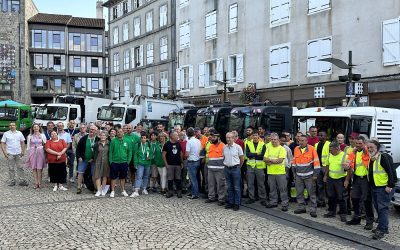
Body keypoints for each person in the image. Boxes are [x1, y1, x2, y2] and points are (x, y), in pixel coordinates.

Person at [367, 139, 395, 240]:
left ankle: (381, 230)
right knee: (379, 208)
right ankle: (384, 227)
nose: (369, 149)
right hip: (375, 187)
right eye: (368, 147)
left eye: (371, 147)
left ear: (377, 148)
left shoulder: (383, 157)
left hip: (383, 188)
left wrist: (390, 185)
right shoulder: (372, 158)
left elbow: (391, 172)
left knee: (383, 208)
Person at [346, 136, 374, 228]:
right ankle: (356, 218)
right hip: (357, 178)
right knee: (354, 198)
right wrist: (346, 166)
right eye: (356, 143)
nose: (357, 145)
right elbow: (347, 164)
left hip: (365, 179)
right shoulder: (354, 152)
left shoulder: (367, 151)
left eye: (360, 143)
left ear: (364, 144)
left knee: (366, 200)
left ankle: (369, 221)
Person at [292, 135, 321, 217]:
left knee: (311, 193)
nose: (300, 142)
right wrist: (294, 173)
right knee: (299, 193)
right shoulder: (296, 149)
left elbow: (316, 163)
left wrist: (315, 175)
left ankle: (313, 209)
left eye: (302, 140)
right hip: (298, 176)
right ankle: (301, 207)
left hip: (309, 176)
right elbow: (294, 161)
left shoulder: (312, 149)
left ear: (306, 141)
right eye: (299, 140)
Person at [323, 141, 351, 222]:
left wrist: (347, 180)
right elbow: (327, 165)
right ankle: (331, 212)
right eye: (330, 150)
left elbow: (349, 170)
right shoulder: (329, 155)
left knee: (341, 197)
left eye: (331, 150)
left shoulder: (345, 156)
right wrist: (325, 175)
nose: (330, 151)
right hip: (331, 179)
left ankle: (343, 214)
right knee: (331, 196)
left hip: (341, 179)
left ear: (337, 149)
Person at [264, 132, 288, 211]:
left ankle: (284, 204)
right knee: (272, 189)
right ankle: (273, 202)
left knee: (283, 189)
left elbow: (280, 160)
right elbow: (264, 159)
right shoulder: (268, 148)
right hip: (270, 172)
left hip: (280, 172)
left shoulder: (282, 149)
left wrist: (270, 160)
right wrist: (272, 160)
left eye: (275, 139)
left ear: (278, 140)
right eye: (272, 139)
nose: (273, 141)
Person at [1, 122, 27, 186]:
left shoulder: (19, 133)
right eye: (10, 125)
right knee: (11, 168)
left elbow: (23, 142)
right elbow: (2, 143)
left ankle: (22, 180)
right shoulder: (6, 134)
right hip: (10, 153)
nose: (12, 126)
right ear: (9, 127)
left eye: (13, 125)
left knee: (20, 167)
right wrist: (4, 153)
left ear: (16, 126)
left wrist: (23, 151)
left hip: (18, 153)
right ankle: (12, 181)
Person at [109, 128, 132, 198]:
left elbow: (129, 152)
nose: (119, 133)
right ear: (116, 133)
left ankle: (123, 190)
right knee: (113, 177)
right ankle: (112, 191)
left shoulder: (127, 141)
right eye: (118, 132)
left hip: (124, 162)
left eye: (121, 132)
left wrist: (128, 161)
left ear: (123, 133)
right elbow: (110, 152)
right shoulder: (113, 141)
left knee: (123, 177)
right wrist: (111, 162)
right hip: (114, 162)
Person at [223, 132, 244, 211]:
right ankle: (230, 202)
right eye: (227, 137)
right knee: (229, 187)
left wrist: (238, 167)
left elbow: (242, 158)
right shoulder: (224, 147)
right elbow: (224, 157)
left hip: (235, 169)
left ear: (233, 138)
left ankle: (237, 203)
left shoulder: (238, 147)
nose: (228, 139)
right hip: (227, 169)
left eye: (230, 137)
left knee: (236, 187)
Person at [205, 129, 226, 206]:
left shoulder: (223, 146)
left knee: (220, 185)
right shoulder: (210, 146)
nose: (212, 138)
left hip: (220, 169)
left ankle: (221, 199)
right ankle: (211, 197)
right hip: (210, 169)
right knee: (211, 184)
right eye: (211, 137)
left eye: (214, 137)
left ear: (218, 137)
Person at [245, 131, 267, 206]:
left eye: (256, 135)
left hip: (259, 167)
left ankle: (263, 198)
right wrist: (257, 154)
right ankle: (251, 198)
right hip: (250, 166)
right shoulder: (248, 143)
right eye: (253, 135)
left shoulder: (262, 144)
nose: (254, 137)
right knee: (250, 183)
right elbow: (247, 154)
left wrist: (253, 155)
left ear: (258, 136)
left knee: (261, 184)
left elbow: (263, 156)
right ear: (251, 136)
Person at [76, 125, 99, 194]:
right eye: (90, 129)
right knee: (80, 173)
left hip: (94, 160)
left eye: (93, 130)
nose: (91, 131)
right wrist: (79, 156)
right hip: (83, 159)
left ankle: (95, 188)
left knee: (93, 174)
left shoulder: (98, 139)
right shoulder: (84, 138)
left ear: (96, 131)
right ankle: (79, 187)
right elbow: (78, 148)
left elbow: (99, 151)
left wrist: (93, 158)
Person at [162, 132, 184, 198]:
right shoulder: (166, 144)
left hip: (178, 164)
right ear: (172, 136)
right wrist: (166, 164)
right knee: (170, 179)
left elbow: (180, 153)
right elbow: (163, 155)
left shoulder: (178, 144)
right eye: (176, 135)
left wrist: (182, 162)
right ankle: (170, 192)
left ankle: (179, 191)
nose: (178, 136)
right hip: (170, 165)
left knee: (178, 178)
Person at [131, 132, 152, 198]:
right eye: (142, 138)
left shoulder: (149, 144)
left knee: (146, 176)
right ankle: (136, 190)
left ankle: (144, 189)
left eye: (145, 138)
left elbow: (151, 153)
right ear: (140, 138)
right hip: (140, 163)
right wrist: (135, 163)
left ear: (147, 139)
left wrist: (150, 157)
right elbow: (135, 155)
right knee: (139, 176)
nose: (143, 139)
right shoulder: (137, 145)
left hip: (147, 163)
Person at [26, 124, 47, 188]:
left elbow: (45, 144)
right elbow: (28, 147)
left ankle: (40, 183)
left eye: (37, 127)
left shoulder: (42, 135)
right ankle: (36, 183)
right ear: (32, 128)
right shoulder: (29, 136)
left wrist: (46, 154)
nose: (36, 128)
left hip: (40, 152)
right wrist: (28, 155)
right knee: (34, 168)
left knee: (39, 168)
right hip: (32, 152)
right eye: (34, 127)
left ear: (39, 128)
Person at [315, 131, 330, 207]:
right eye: (319, 135)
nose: (320, 136)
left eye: (322, 135)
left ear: (326, 136)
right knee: (320, 185)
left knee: (327, 185)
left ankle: (328, 202)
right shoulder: (316, 144)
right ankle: (321, 201)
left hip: (326, 167)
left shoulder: (329, 144)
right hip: (318, 167)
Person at [93, 131, 110, 197]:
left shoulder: (109, 144)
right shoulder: (97, 144)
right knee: (97, 176)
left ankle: (103, 189)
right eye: (101, 135)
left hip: (106, 161)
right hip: (98, 161)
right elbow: (94, 153)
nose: (103, 136)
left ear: (106, 137)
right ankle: (98, 190)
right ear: (100, 136)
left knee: (105, 176)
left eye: (104, 135)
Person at [185, 127, 201, 200]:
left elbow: (187, 154)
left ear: (187, 134)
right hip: (197, 160)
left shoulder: (189, 142)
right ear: (194, 133)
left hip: (191, 162)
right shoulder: (198, 141)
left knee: (192, 179)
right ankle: (194, 192)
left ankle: (195, 194)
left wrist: (185, 157)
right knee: (195, 178)